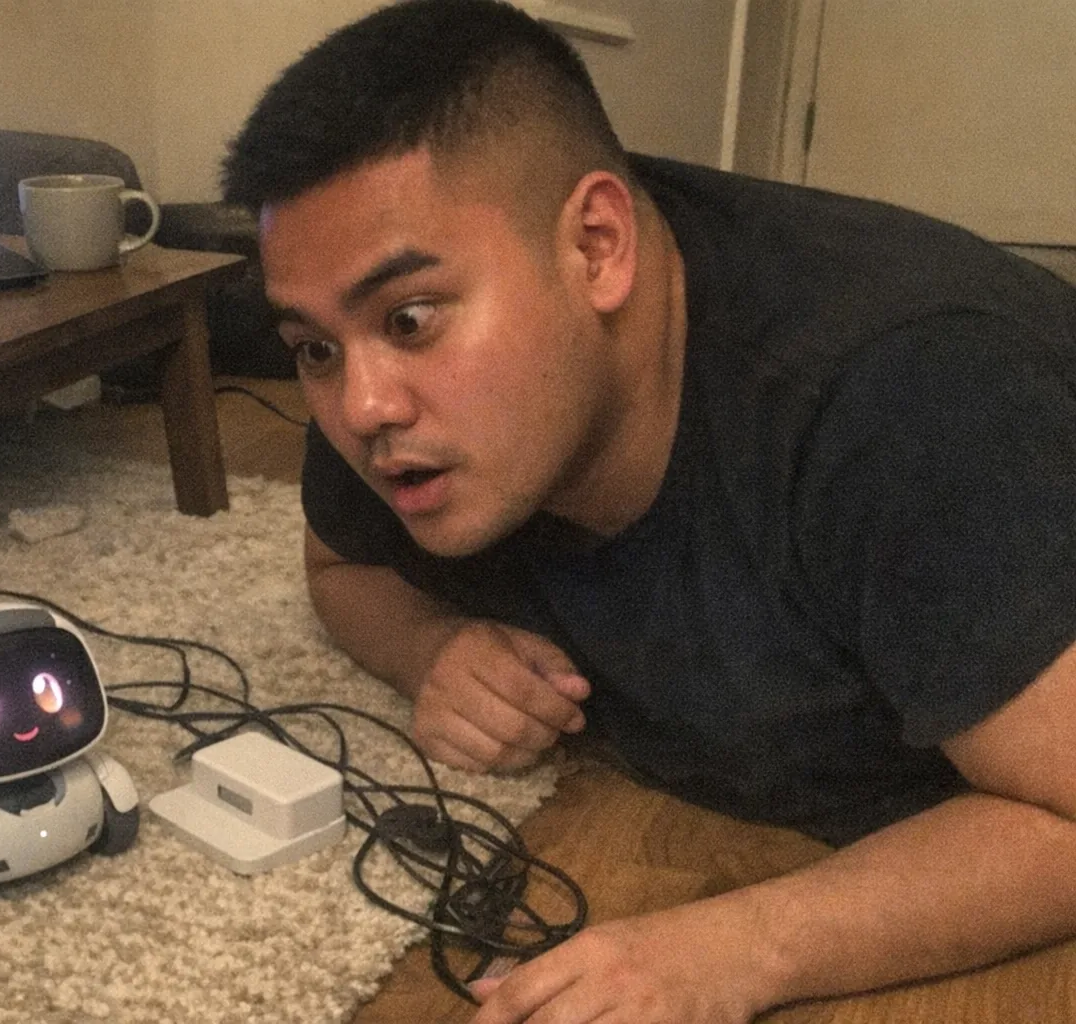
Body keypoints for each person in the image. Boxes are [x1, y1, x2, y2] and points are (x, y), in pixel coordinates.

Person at [220, 1, 1076, 1021]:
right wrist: (429, 648)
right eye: (314, 346)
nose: (360, 406)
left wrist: (740, 946)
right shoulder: (385, 382)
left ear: (595, 245)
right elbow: (340, 569)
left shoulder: (906, 397)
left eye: (410, 318)